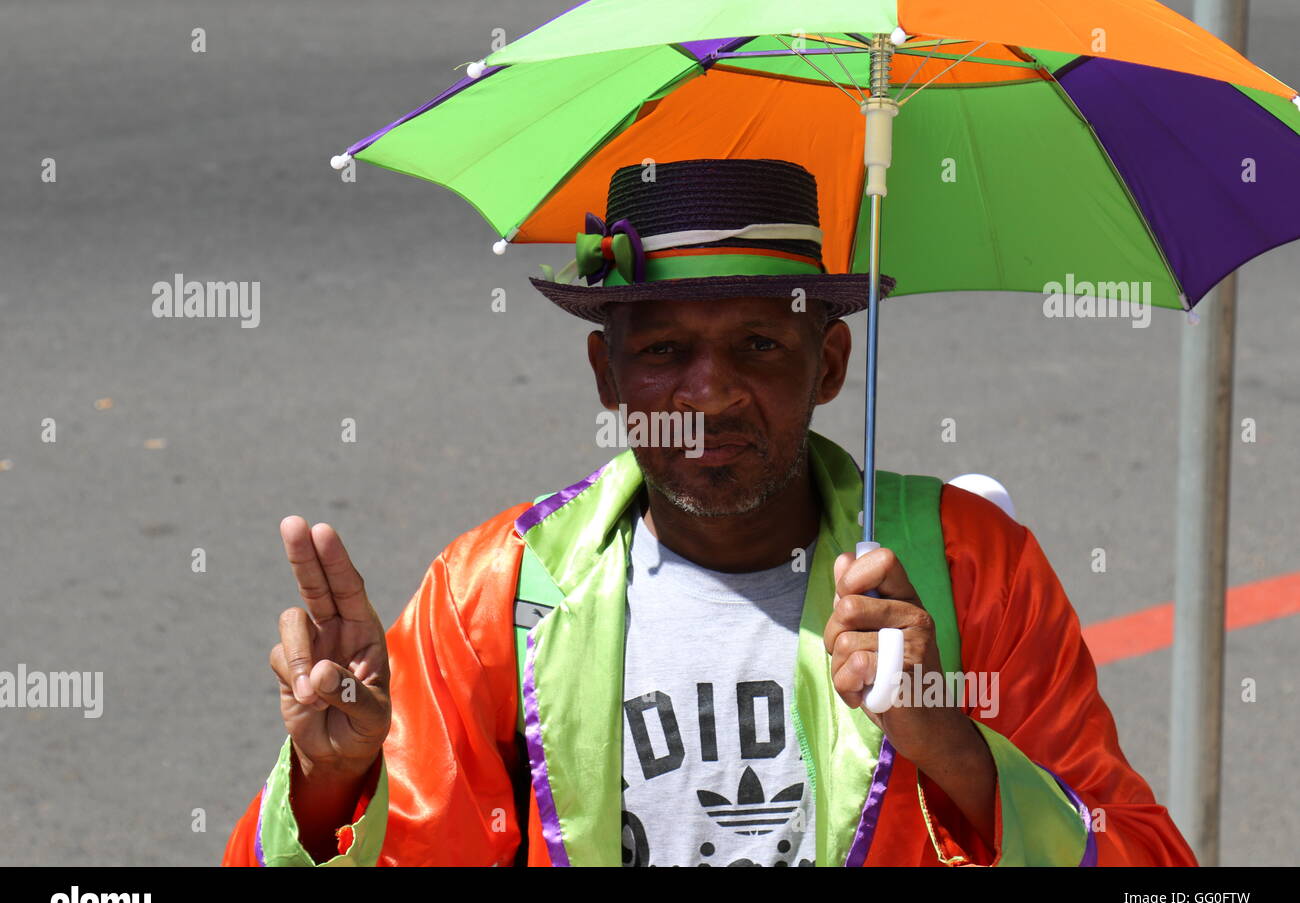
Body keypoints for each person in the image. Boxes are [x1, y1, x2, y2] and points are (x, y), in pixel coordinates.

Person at [222, 158, 1196, 867]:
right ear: (607, 372)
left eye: (760, 345)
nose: (710, 393)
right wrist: (328, 791)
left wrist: (951, 744)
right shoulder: (496, 590)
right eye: (663, 351)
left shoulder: (967, 565)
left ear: (830, 364)